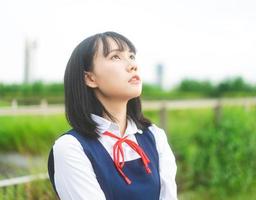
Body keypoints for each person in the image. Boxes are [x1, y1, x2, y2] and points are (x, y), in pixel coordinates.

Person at [47, 31, 177, 200]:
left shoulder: (155, 136)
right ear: (90, 78)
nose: (132, 65)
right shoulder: (71, 148)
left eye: (131, 56)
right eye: (115, 57)